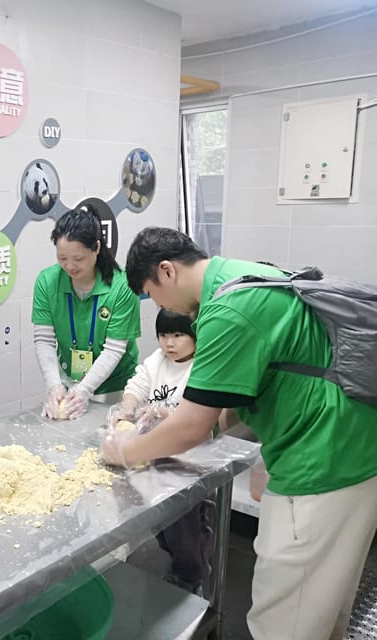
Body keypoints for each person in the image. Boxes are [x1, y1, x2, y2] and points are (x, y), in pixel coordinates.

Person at [106, 226, 377, 640]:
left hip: (322, 463)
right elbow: (237, 396)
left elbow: (193, 426)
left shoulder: (227, 309)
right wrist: (178, 424)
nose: (157, 305)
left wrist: (127, 450)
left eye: (151, 294)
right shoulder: (247, 275)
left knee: (285, 620)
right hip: (356, 451)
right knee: (324, 604)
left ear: (167, 271)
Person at [119, 309, 212, 595]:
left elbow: (198, 420)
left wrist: (164, 413)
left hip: (191, 460)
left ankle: (190, 577)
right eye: (163, 335)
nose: (169, 343)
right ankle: (181, 558)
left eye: (178, 335)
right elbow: (137, 385)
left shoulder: (203, 367)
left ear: (196, 336)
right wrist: (126, 409)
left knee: (184, 524)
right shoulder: (157, 361)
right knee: (161, 522)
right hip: (159, 454)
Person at [32, 204, 141, 420]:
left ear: (97, 248)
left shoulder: (122, 286)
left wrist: (85, 390)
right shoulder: (47, 281)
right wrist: (54, 385)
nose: (70, 266)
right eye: (62, 258)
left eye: (78, 259)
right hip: (69, 381)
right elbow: (44, 339)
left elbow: (113, 349)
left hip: (114, 388)